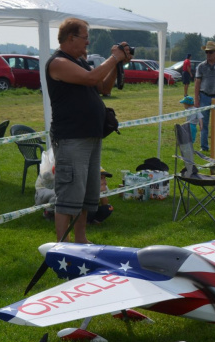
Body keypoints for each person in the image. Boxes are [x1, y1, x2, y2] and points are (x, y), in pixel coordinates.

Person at [44, 17, 132, 244]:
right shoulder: (58, 63)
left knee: (84, 197)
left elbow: (103, 86)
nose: (88, 43)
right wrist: (114, 57)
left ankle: (81, 241)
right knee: (68, 197)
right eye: (85, 38)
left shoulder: (79, 62)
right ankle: (62, 247)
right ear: (71, 38)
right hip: (72, 139)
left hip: (90, 138)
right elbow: (92, 78)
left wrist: (117, 65)